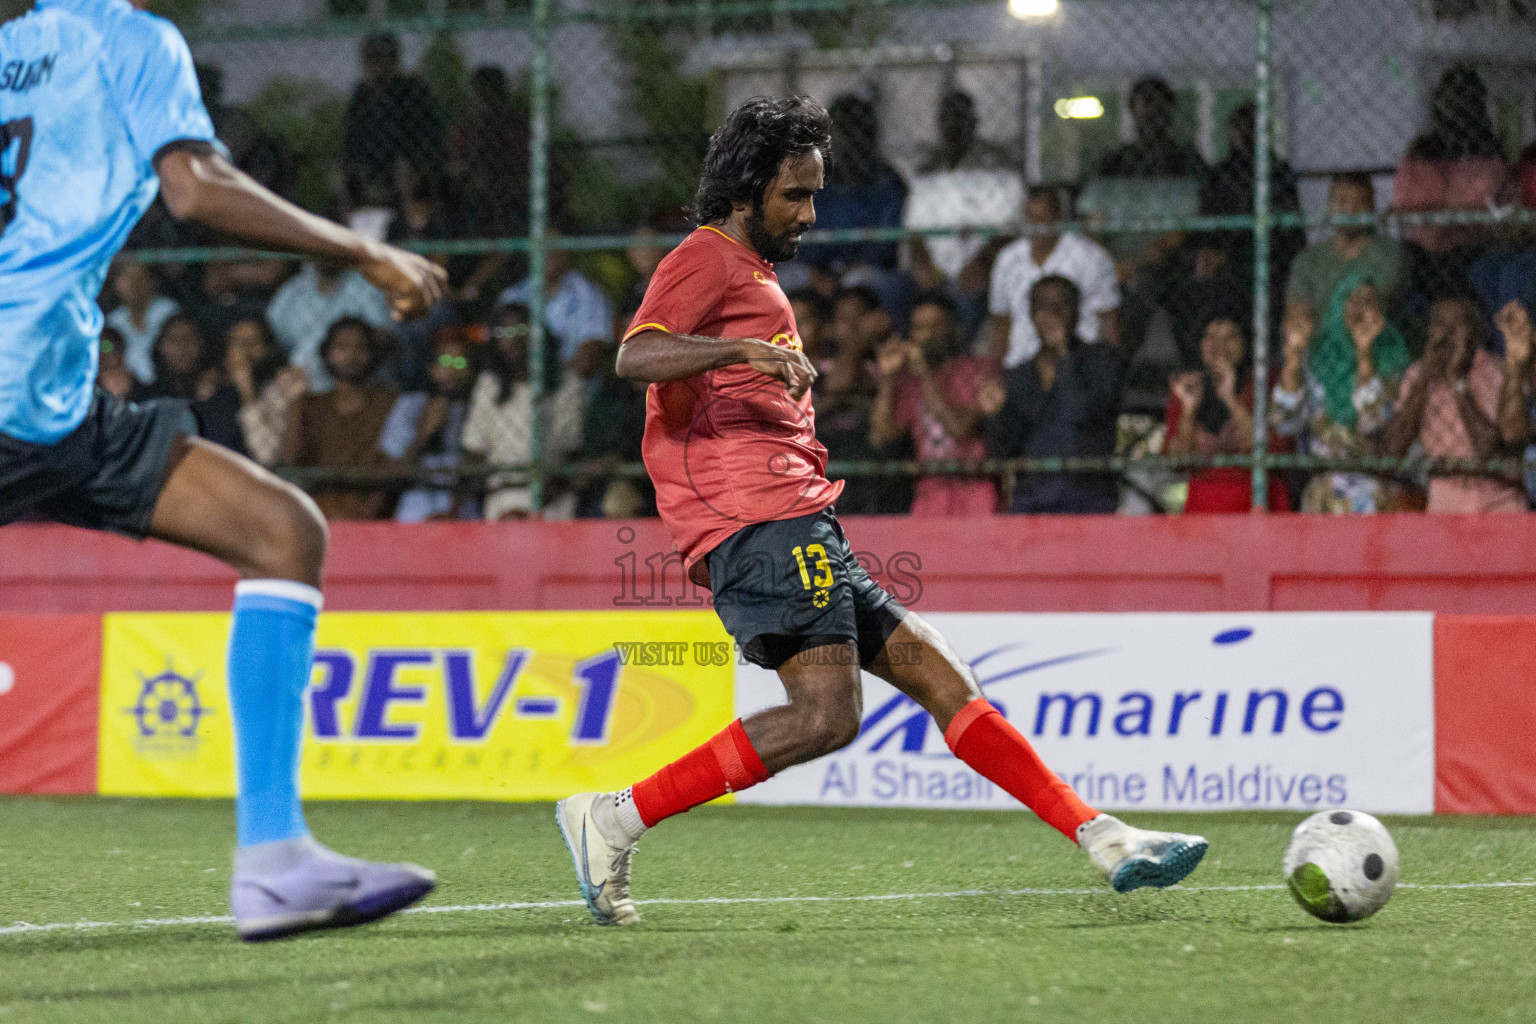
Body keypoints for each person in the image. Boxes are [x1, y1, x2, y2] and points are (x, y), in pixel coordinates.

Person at [553, 97, 1206, 928]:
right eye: (795, 194)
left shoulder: (752, 275)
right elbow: (635, 353)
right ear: (749, 188)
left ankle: (1102, 835)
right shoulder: (707, 258)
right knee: (827, 716)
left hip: (798, 518)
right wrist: (742, 350)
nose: (810, 213)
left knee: (940, 675)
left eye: (814, 193)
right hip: (759, 523)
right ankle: (614, 817)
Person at [0, 0, 445, 940]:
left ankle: (277, 862)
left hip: (55, 401)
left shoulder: (11, 52)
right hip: (22, 386)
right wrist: (362, 248)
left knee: (282, 532)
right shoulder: (129, 38)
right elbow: (196, 187)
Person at [1272, 274, 1414, 514]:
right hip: (1321, 485)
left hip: (1374, 482)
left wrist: (1364, 352)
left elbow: (1374, 421)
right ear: (1338, 304)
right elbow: (1284, 422)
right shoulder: (1317, 357)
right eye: (1351, 299)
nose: (1359, 307)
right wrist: (1293, 359)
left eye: (1369, 301)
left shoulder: (1393, 357)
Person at [982, 276, 1124, 514]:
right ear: (1031, 313)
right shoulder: (1019, 374)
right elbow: (1005, 450)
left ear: (1077, 311)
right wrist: (996, 414)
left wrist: (1064, 355)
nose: (1050, 314)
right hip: (1032, 498)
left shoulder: (1101, 360)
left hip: (1088, 495)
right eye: (1042, 306)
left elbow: (1081, 412)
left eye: (1060, 306)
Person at [1382, 295, 1526, 513]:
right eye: (1441, 324)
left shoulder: (1495, 371)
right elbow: (1393, 449)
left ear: (1475, 331)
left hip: (1497, 496)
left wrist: (1458, 381)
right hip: (1446, 494)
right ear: (1430, 330)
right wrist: (1424, 381)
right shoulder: (1416, 374)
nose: (1447, 333)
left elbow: (1488, 449)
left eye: (1457, 325)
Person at [870, 292, 997, 515]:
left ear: (953, 330)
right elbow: (880, 437)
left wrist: (926, 377)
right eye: (920, 328)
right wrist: (887, 381)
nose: (927, 335)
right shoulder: (909, 381)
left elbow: (960, 428)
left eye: (935, 327)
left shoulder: (977, 371)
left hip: (974, 490)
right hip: (930, 493)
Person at [460, 303, 585, 520]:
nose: (513, 340)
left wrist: (535, 503)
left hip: (552, 498)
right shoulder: (488, 386)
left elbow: (569, 452)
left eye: (520, 330)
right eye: (503, 333)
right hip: (500, 497)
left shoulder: (565, 385)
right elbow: (474, 450)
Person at [1164, 303, 1290, 513]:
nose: (1218, 346)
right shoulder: (1188, 387)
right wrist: (1188, 409)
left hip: (1258, 504)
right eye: (1210, 337)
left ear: (1246, 343)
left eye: (1230, 337)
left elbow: (1272, 453)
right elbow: (1178, 462)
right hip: (1204, 509)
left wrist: (1231, 399)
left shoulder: (1265, 385)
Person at [983, 187, 1121, 368]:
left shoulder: (1091, 257)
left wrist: (1110, 368)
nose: (1035, 226)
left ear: (1058, 219)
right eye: (1030, 218)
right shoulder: (1007, 259)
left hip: (1079, 365)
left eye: (1042, 219)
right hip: (1022, 363)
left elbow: (1108, 320)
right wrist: (995, 370)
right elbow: (1002, 323)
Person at [279, 317, 400, 521]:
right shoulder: (310, 404)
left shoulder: (390, 403)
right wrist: (295, 403)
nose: (351, 355)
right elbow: (290, 459)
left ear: (372, 354)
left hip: (372, 515)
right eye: (342, 347)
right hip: (317, 511)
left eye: (361, 347)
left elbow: (394, 469)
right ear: (327, 354)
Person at [1394, 64, 1507, 259]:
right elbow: (1403, 201)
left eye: (1467, 99)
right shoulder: (1422, 151)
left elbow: (1494, 205)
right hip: (1424, 248)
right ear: (1440, 102)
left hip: (1476, 249)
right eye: (1452, 99)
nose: (1459, 107)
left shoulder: (1489, 152)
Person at [1285, 174, 1408, 341]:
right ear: (1329, 206)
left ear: (1372, 206)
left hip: (1377, 348)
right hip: (1322, 353)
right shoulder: (1308, 260)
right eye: (1342, 201)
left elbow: (1373, 304)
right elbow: (1297, 314)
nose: (1350, 210)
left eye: (1360, 202)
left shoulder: (1389, 252)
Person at [379, 327, 480, 522]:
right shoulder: (410, 405)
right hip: (416, 505)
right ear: (431, 368)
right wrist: (424, 433)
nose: (452, 370)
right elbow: (392, 473)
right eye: (444, 362)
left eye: (460, 362)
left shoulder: (474, 408)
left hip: (462, 508)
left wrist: (453, 509)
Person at [341, 31, 445, 208]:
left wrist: (415, 164)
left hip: (409, 164)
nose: (378, 65)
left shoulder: (412, 89)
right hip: (371, 165)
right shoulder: (362, 95)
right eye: (372, 58)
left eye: (383, 58)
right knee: (345, 176)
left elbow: (430, 135)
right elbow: (352, 139)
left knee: (403, 172)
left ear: (394, 59)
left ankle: (413, 225)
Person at [266, 260, 394, 392]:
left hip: (362, 384)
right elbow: (277, 344)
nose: (324, 256)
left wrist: (350, 356)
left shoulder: (365, 285)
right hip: (302, 387)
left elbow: (384, 337)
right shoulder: (292, 292)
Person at [494, 244, 612, 384]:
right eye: (542, 243)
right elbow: (495, 357)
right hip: (514, 387)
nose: (548, 251)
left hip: (569, 386)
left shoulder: (590, 295)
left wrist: (543, 373)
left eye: (555, 244)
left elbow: (587, 364)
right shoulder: (512, 296)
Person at [224, 317, 307, 467]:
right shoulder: (209, 391)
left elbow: (267, 457)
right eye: (238, 342)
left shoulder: (277, 392)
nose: (245, 350)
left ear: (266, 348)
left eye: (253, 342)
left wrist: (246, 390)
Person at [1094, 77, 1205, 180]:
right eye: (1148, 102)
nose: (1153, 111)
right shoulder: (1116, 161)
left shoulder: (1187, 160)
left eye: (1160, 105)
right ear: (1133, 111)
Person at [105, 257, 179, 383]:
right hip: (129, 388)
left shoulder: (169, 312)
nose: (134, 285)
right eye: (128, 279)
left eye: (140, 278)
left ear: (153, 281)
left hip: (169, 384)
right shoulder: (113, 322)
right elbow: (106, 350)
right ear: (117, 283)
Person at [96, 326, 136, 398]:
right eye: (96, 347)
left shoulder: (140, 388)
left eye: (106, 347)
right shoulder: (86, 388)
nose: (101, 354)